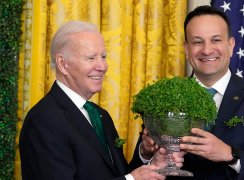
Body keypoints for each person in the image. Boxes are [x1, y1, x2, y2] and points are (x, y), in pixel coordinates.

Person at [140, 5, 244, 179]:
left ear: (231, 45)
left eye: (216, 40)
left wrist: (229, 154)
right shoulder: (163, 98)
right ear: (186, 49)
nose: (207, 50)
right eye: (197, 42)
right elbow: (134, 169)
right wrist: (145, 153)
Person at [19, 20, 175, 180]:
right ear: (63, 63)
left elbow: (117, 175)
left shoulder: (101, 115)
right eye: (91, 58)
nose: (102, 66)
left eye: (103, 56)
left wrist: (148, 159)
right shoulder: (43, 121)